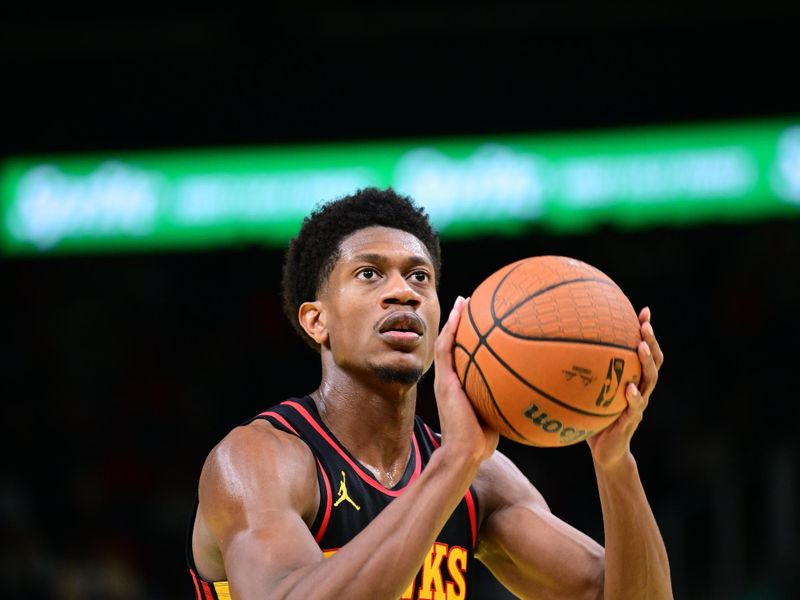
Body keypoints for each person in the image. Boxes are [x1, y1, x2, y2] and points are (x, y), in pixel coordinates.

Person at [186, 187, 672, 600]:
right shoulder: (256, 461)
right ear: (317, 320)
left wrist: (615, 465)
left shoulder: (479, 478)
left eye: (420, 276)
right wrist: (453, 464)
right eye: (369, 273)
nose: (404, 292)